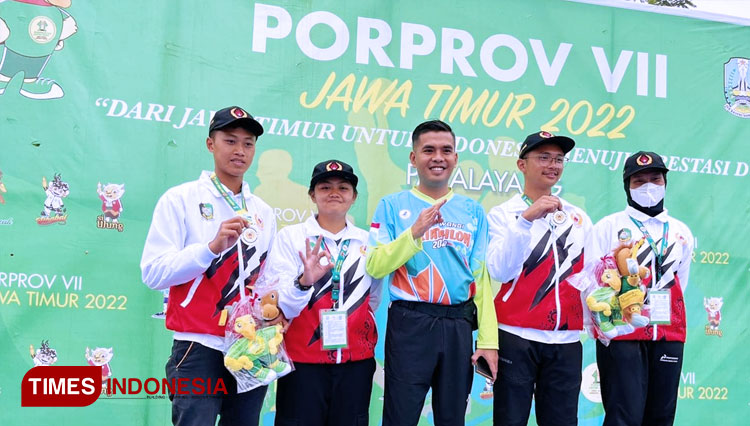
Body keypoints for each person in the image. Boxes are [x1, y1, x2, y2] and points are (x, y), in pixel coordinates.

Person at [140, 106, 276, 426]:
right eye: (230, 140)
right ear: (210, 144)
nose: (240, 151)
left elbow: (267, 279)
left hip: (249, 348)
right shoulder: (180, 199)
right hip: (198, 346)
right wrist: (210, 249)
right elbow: (153, 272)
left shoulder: (264, 212)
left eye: (248, 143)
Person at [366, 119, 499, 426]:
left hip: (458, 325)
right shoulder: (391, 206)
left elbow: (481, 279)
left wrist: (488, 341)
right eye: (428, 150)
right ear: (414, 158)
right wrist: (413, 233)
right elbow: (375, 264)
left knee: (452, 416)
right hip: (410, 323)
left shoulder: (473, 210)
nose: (438, 157)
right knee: (401, 414)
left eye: (446, 150)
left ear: (455, 158)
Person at [262, 159, 382, 426]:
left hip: (356, 362)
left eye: (343, 187)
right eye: (325, 187)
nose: (334, 193)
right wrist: (304, 281)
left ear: (354, 197)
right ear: (312, 195)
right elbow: (280, 301)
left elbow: (373, 298)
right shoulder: (291, 237)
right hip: (302, 362)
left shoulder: (368, 242)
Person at [486, 130, 592, 426]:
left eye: (558, 159)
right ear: (522, 165)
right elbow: (500, 270)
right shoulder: (502, 214)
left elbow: (591, 276)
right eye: (543, 157)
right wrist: (525, 221)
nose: (552, 165)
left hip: (567, 339)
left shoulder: (578, 217)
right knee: (510, 419)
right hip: (516, 335)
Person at [588, 151, 694, 426]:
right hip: (623, 335)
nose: (649, 186)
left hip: (668, 333)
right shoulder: (608, 227)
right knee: (624, 416)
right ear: (627, 186)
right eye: (639, 181)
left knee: (662, 415)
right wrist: (603, 329)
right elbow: (590, 284)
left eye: (655, 179)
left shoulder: (681, 231)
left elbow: (682, 282)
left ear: (665, 183)